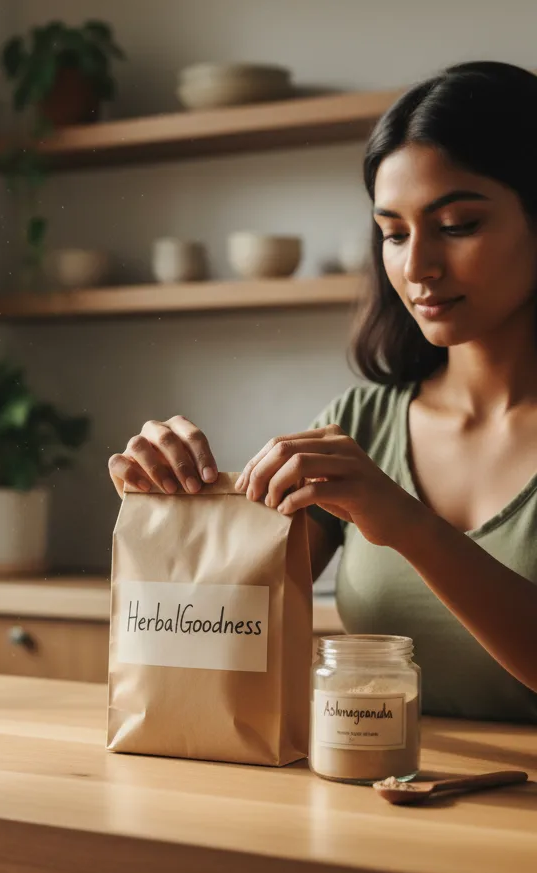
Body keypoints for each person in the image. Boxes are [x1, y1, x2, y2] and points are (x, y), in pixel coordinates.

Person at [107, 61, 537, 723]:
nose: (417, 266)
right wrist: (167, 511)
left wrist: (409, 526)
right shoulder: (360, 425)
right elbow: (211, 630)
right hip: (381, 798)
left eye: (456, 226)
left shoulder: (368, 473)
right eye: (393, 233)